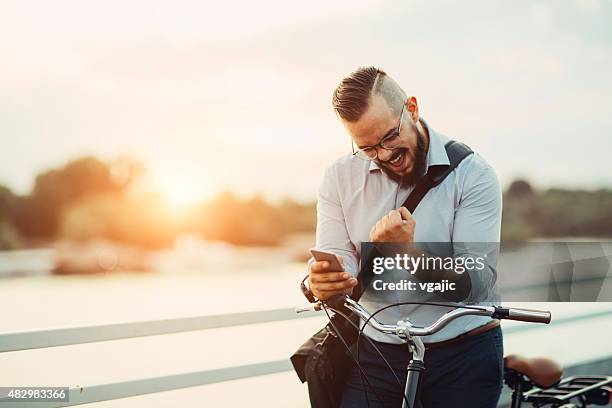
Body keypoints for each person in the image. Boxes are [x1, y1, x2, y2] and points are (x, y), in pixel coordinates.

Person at [306, 66, 504, 407]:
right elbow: (340, 260)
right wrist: (324, 281)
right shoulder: (339, 178)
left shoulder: (475, 176)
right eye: (367, 148)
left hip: (463, 352)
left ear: (411, 108)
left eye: (389, 137)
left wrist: (408, 253)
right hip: (377, 350)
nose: (384, 155)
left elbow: (478, 283)